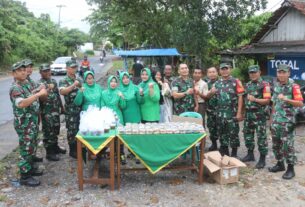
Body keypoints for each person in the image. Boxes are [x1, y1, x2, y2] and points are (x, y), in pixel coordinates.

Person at [9, 61, 47, 187]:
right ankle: (24, 176)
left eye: (24, 70)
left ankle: (29, 169)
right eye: (20, 70)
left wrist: (39, 89)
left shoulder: (26, 84)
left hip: (32, 123)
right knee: (26, 149)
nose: (23, 72)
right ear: (14, 73)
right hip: (24, 125)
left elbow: (32, 93)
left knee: (32, 147)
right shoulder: (15, 88)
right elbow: (21, 103)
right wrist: (38, 94)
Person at [269, 64, 303, 179]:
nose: (281, 75)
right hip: (276, 121)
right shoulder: (277, 85)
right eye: (279, 72)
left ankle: (290, 169)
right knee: (276, 145)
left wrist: (286, 99)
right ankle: (279, 164)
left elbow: (300, 103)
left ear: (289, 73)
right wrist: (271, 119)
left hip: (287, 122)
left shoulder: (294, 86)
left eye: (284, 72)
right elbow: (274, 103)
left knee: (287, 146)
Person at [241, 65, 271, 168]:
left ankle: (262, 159)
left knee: (261, 137)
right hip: (249, 114)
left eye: (255, 72)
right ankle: (250, 154)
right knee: (248, 135)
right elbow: (245, 99)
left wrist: (255, 100)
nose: (253, 74)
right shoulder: (247, 84)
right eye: (251, 73)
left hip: (259, 115)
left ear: (259, 72)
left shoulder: (265, 85)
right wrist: (243, 112)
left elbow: (267, 100)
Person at [215, 63, 244, 157]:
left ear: (230, 69)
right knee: (222, 133)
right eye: (222, 69)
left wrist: (239, 113)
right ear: (219, 71)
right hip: (220, 113)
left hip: (232, 112)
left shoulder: (236, 82)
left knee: (233, 133)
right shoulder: (217, 83)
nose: (224, 71)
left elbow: (240, 97)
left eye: (226, 69)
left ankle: (234, 153)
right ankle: (225, 152)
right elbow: (212, 95)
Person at [38, 64, 66, 162]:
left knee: (55, 129)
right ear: (40, 72)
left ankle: (55, 147)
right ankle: (50, 153)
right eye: (44, 71)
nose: (47, 72)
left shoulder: (53, 81)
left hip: (55, 111)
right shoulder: (39, 84)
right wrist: (46, 90)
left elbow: (57, 95)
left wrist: (61, 107)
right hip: (46, 112)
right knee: (48, 132)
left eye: (48, 70)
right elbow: (40, 99)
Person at [59, 60, 82, 159]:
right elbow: (63, 92)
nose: (74, 69)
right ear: (67, 68)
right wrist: (73, 85)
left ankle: (81, 148)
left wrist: (80, 86)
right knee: (72, 130)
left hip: (80, 108)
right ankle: (73, 150)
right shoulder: (63, 80)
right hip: (71, 110)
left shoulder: (79, 78)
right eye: (72, 67)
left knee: (81, 128)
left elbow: (83, 88)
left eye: (75, 67)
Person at [101, 75, 127, 164]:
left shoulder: (118, 92)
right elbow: (102, 105)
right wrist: (106, 115)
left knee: (119, 136)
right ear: (108, 82)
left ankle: (121, 154)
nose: (113, 83)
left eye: (115, 82)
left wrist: (122, 97)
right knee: (108, 134)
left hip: (118, 115)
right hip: (107, 115)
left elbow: (123, 106)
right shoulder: (103, 93)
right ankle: (105, 152)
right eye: (111, 81)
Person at [205, 67, 219, 151]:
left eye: (213, 72)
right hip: (210, 110)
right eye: (210, 72)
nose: (212, 74)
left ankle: (224, 147)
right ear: (207, 74)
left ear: (217, 73)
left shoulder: (221, 82)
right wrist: (210, 92)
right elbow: (204, 97)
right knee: (211, 128)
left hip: (221, 111)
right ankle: (214, 144)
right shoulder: (205, 84)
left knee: (222, 128)